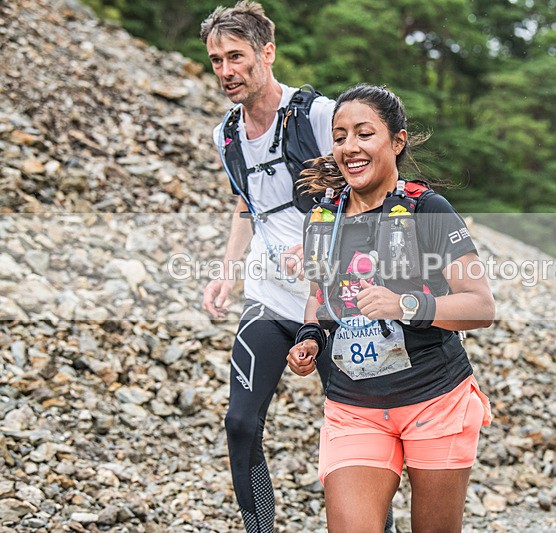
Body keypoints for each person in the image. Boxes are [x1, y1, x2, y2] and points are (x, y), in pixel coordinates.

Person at [286, 84, 495, 532]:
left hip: (435, 399)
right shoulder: (321, 219)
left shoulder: (427, 208)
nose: (350, 147)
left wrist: (405, 304)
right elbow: (318, 300)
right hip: (353, 405)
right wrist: (309, 337)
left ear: (396, 142)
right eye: (340, 136)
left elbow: (480, 305)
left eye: (364, 133)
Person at [197, 3, 360, 532]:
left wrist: (320, 243)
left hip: (337, 301)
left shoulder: (317, 115)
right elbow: (248, 204)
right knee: (241, 423)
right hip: (270, 295)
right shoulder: (226, 135)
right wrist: (228, 269)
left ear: (266, 53)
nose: (226, 71)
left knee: (353, 436)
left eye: (236, 56)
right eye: (217, 60)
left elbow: (371, 189)